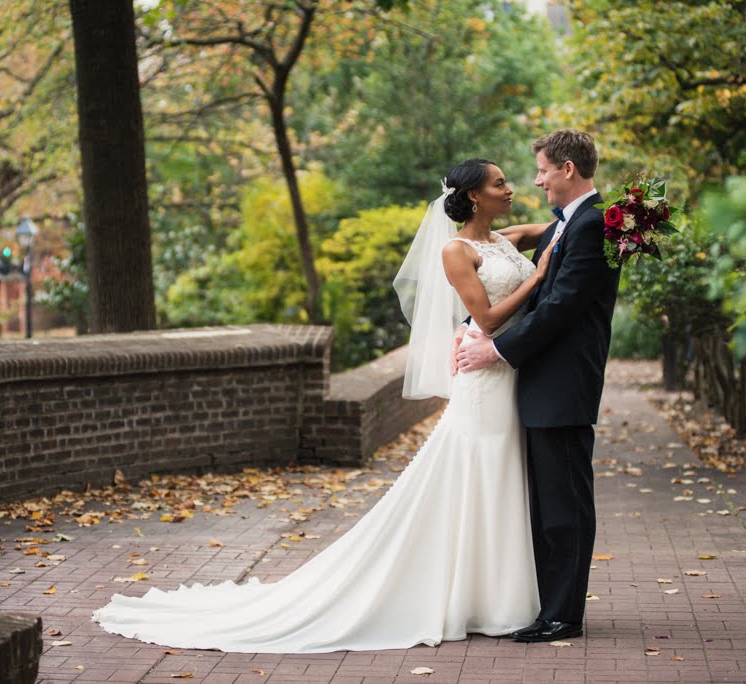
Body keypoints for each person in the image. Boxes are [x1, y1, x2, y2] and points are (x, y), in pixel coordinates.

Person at [92, 159, 553, 653]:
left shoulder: (503, 239)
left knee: (500, 477)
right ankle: (477, 601)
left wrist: (624, 215)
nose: (511, 188)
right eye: (499, 182)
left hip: (506, 377)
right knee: (479, 475)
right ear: (475, 196)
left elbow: (558, 225)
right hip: (483, 381)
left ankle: (488, 597)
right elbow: (484, 315)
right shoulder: (455, 250)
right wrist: (539, 276)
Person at [455, 130, 620, 643]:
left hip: (562, 385)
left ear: (567, 169)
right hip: (540, 384)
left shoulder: (590, 225)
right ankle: (549, 605)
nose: (536, 180)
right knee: (549, 504)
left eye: (543, 170)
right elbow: (499, 273)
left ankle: (563, 615)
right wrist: (467, 330)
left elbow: (559, 307)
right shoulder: (568, 224)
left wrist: (495, 350)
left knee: (564, 505)